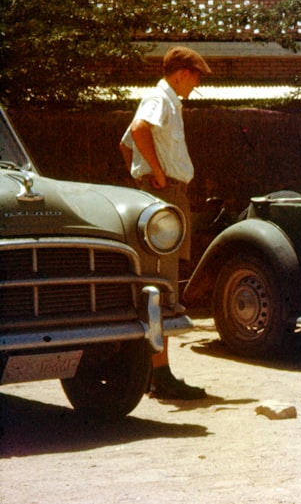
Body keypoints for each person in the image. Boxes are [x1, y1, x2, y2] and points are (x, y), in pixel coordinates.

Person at [119, 45, 211, 400]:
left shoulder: (168, 100)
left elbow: (125, 144)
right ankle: (160, 375)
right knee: (161, 284)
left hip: (167, 193)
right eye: (196, 78)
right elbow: (139, 130)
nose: (195, 85)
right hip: (165, 193)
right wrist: (154, 175)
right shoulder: (162, 97)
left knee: (157, 283)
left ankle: (152, 372)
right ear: (183, 73)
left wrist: (140, 177)